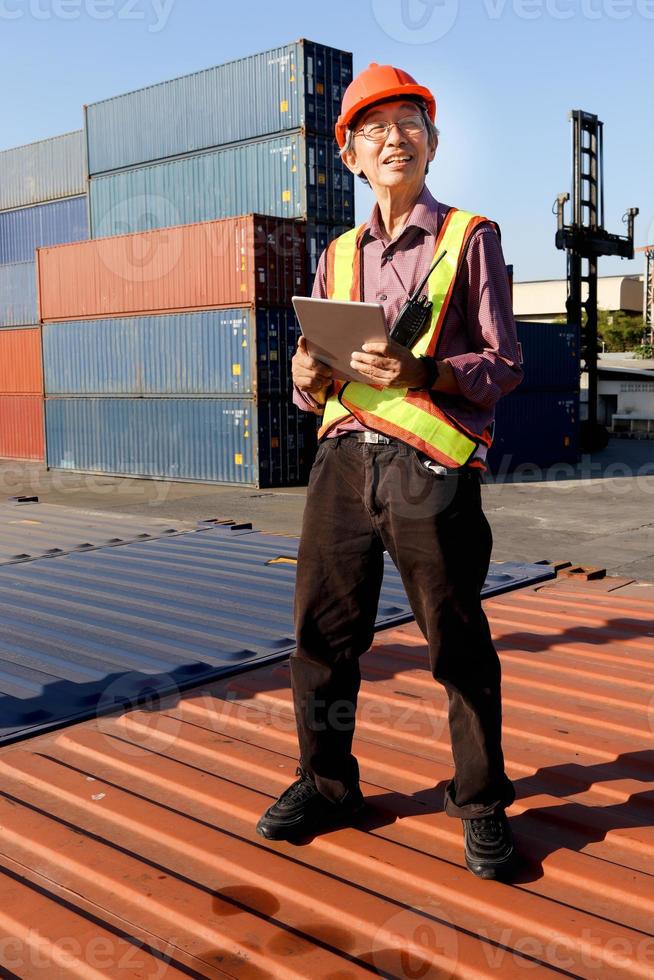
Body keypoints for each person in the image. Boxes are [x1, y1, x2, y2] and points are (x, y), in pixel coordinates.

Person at [256, 63, 524, 880]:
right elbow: (317, 368)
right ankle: (328, 784)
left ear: (432, 144)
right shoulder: (336, 254)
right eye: (373, 130)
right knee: (321, 641)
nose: (392, 138)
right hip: (340, 467)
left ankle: (479, 801)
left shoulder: (468, 237)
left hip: (426, 470)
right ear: (351, 159)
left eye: (408, 123)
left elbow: (503, 363)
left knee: (456, 642)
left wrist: (424, 373)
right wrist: (304, 379)